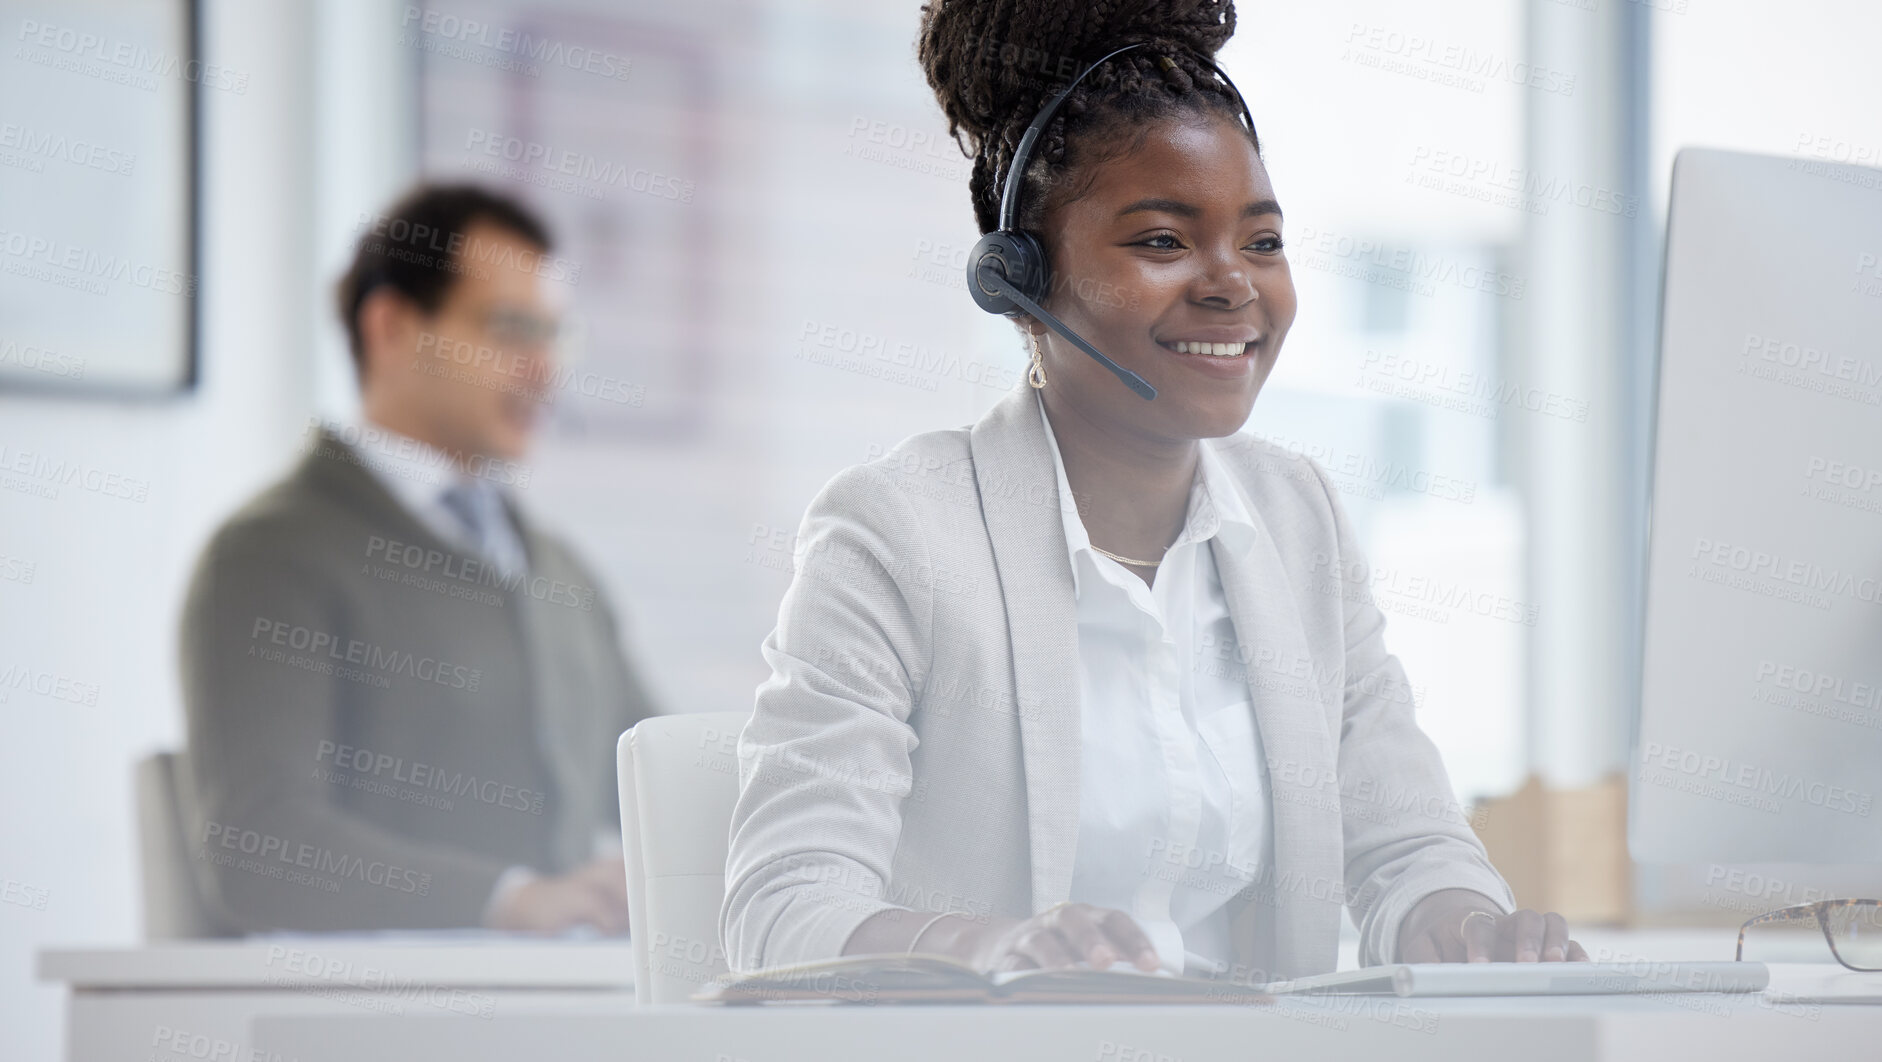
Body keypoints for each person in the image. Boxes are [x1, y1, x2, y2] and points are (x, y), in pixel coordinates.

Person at [721, 0, 1587, 982]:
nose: (1233, 286)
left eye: (1261, 243)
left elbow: (1406, 848)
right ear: (1020, 282)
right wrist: (990, 949)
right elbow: (784, 908)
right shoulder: (894, 532)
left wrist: (1465, 921)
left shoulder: (1296, 515)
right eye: (1163, 243)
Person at [179, 184, 657, 934]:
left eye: (556, 336)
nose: (545, 369)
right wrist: (510, 900)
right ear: (393, 328)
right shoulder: (273, 553)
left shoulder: (558, 567)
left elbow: (656, 777)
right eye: (511, 330)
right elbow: (260, 845)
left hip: (550, 1009)